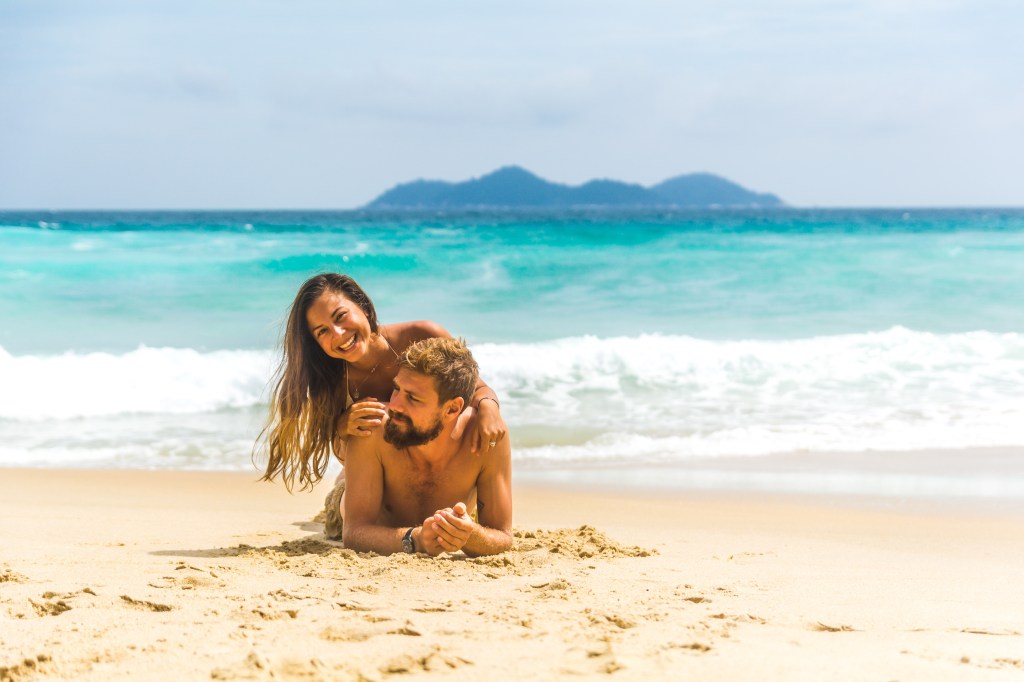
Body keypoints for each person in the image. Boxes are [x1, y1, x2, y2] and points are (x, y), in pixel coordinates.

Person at [257, 274, 507, 538]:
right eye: (322, 332)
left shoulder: (421, 336)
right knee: (345, 506)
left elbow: (472, 386)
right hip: (372, 489)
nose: (339, 334)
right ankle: (337, 496)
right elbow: (342, 450)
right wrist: (342, 428)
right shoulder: (330, 381)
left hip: (434, 475)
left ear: (363, 306)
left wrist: (489, 407)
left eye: (340, 316)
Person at [342, 336, 512, 556]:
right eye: (396, 389)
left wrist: (469, 536)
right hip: (351, 498)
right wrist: (416, 539)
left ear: (451, 409)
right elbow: (353, 533)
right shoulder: (372, 427)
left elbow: (503, 536)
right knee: (341, 494)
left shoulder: (483, 439)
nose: (394, 406)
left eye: (413, 398)